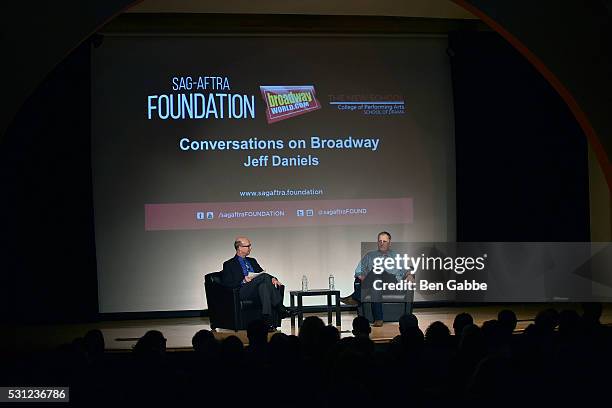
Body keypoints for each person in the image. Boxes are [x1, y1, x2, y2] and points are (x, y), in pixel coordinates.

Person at [340, 231, 414, 327]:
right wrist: (364, 279)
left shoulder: (396, 256)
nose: (382, 243)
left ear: (389, 243)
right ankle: (378, 319)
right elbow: (358, 271)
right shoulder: (369, 255)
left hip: (391, 284)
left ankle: (355, 297)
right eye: (380, 241)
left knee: (377, 270)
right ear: (377, 242)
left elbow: (406, 269)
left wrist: (409, 275)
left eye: (385, 241)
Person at [221, 236, 294, 331]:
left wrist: (273, 278)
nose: (250, 248)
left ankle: (266, 321)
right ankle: (280, 307)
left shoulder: (252, 261)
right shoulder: (229, 264)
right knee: (263, 278)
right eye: (248, 246)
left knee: (264, 286)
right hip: (241, 291)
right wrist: (242, 281)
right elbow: (227, 283)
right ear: (239, 248)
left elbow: (262, 273)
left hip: (256, 290)